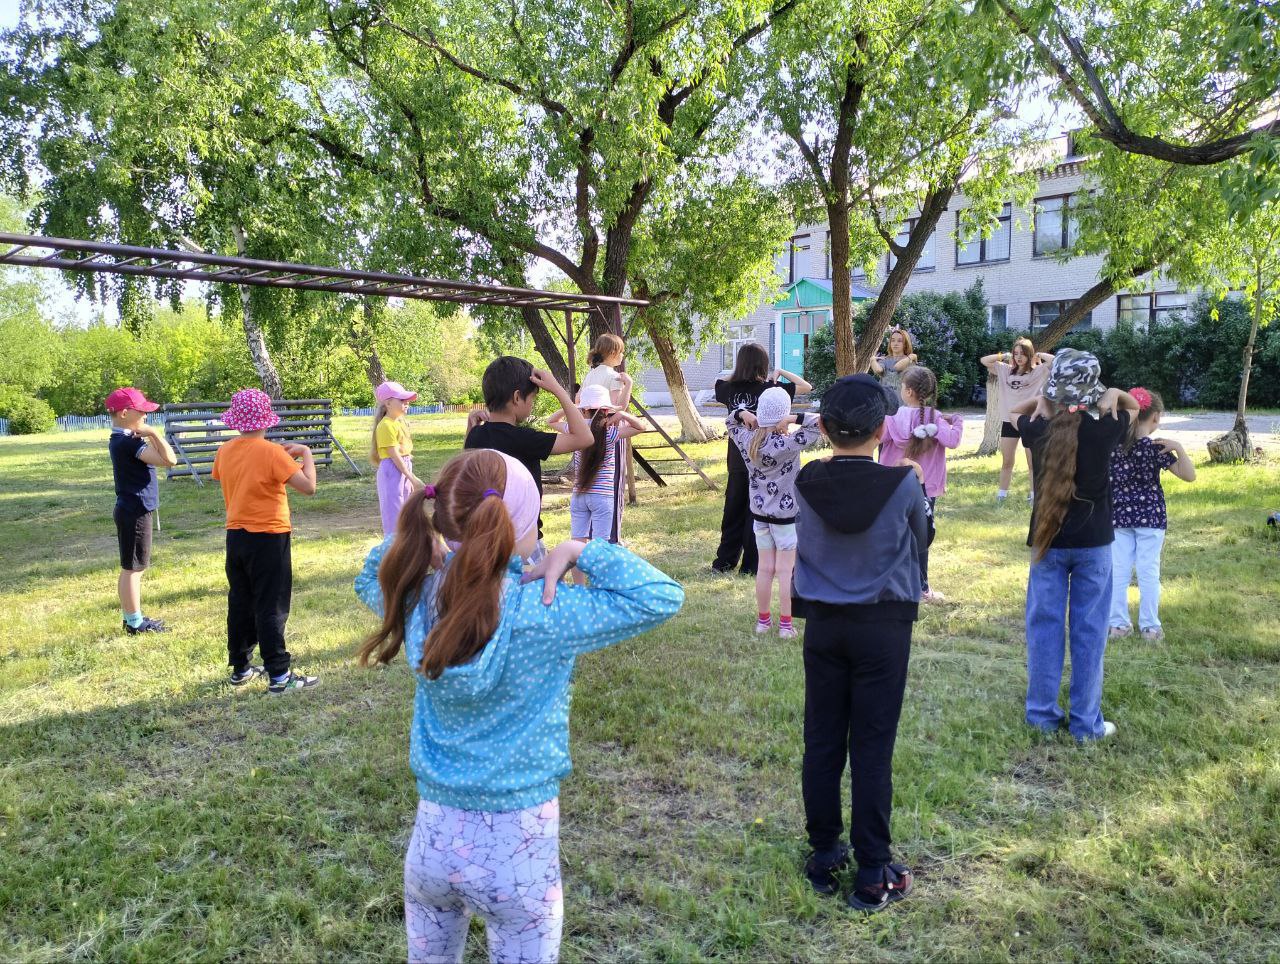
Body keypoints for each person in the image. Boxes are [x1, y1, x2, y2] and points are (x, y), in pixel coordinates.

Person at [355, 448, 683, 964]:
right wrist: (578, 549)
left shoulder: (416, 599)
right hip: (519, 853)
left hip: (432, 849)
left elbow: (370, 571)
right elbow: (659, 596)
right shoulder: (547, 609)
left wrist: (428, 550)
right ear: (521, 525)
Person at [791, 374, 929, 913]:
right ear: (881, 430)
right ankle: (873, 869)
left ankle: (825, 851)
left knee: (822, 739)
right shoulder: (904, 484)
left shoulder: (806, 480)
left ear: (822, 428)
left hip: (824, 625)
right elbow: (921, 541)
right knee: (872, 746)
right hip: (883, 627)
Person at [1012, 350, 1139, 742]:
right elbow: (1135, 405)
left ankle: (1042, 718)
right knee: (1090, 632)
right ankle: (1087, 724)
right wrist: (1113, 392)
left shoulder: (1035, 430)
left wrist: (1046, 399)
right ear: (1092, 390)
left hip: (1047, 545)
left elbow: (1017, 408)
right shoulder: (1107, 428)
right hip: (1095, 545)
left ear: (1054, 391)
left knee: (1044, 629)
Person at [211, 388, 320, 693]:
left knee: (241, 601)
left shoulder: (225, 450)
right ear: (266, 420)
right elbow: (308, 487)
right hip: (269, 537)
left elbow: (223, 476)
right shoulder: (272, 452)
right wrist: (305, 454)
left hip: (236, 535)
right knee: (271, 604)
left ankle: (241, 667)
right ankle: (279, 675)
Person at [465, 356, 593, 560]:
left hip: (485, 542)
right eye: (532, 398)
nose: (532, 404)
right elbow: (584, 438)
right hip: (525, 542)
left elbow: (464, 471)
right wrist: (558, 390)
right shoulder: (525, 439)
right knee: (532, 591)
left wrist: (470, 431)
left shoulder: (476, 435)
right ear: (517, 398)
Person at [726, 386, 824, 638]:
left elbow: (730, 420)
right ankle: (786, 626)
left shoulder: (746, 439)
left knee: (764, 569)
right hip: (787, 518)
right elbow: (820, 423)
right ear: (783, 413)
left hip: (759, 516)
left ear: (759, 411)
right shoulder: (788, 442)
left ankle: (763, 622)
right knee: (785, 572)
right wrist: (793, 419)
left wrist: (742, 413)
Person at [711, 343, 812, 576]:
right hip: (767, 462)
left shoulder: (728, 388)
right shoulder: (771, 388)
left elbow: (718, 383)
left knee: (733, 512)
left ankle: (723, 562)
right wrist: (780, 372)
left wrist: (738, 373)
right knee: (755, 513)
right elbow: (806, 387)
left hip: (738, 457)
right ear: (763, 364)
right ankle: (751, 566)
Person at [1108, 387, 1196, 641]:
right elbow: (1189, 475)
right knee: (1148, 571)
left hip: (1119, 517)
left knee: (1119, 570)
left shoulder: (1114, 446)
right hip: (1151, 518)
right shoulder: (1157, 448)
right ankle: (1150, 626)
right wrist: (1178, 448)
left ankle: (1118, 624)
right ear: (1155, 417)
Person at [878, 365, 964, 603]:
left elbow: (880, 437)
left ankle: (888, 583)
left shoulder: (893, 418)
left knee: (891, 534)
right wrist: (956, 420)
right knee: (921, 537)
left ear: (908, 391)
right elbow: (953, 440)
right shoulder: (935, 419)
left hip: (893, 483)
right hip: (925, 486)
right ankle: (921, 587)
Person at [549, 384, 650, 573]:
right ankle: (597, 587)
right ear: (606, 409)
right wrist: (621, 414)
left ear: (584, 409)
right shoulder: (610, 432)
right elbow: (640, 427)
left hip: (579, 495)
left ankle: (579, 588)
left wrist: (571, 407)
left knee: (577, 547)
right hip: (602, 497)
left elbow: (551, 421)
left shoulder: (574, 429)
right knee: (600, 548)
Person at [105, 387, 178, 635]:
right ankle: (135, 623)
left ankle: (132, 617)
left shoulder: (124, 440)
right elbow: (169, 460)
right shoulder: (126, 443)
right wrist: (154, 433)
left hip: (132, 508)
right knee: (134, 569)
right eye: (143, 412)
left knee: (133, 566)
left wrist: (148, 435)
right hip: (134, 510)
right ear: (125, 413)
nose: (146, 416)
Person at [980, 338, 1055, 503]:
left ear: (1029, 355)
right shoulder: (1005, 370)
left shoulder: (1039, 371)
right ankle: (1002, 495)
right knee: (1007, 461)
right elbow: (984, 361)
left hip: (1031, 421)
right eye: (1016, 354)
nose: (1019, 357)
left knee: (1032, 462)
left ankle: (1034, 495)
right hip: (1009, 421)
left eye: (1023, 354)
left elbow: (1056, 362)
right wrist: (1004, 355)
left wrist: (1039, 354)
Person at [372, 380, 425, 537]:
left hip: (402, 468)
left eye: (407, 400)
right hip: (393, 471)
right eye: (402, 400)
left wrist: (409, 476)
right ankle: (394, 548)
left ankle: (406, 545)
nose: (407, 403)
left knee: (406, 510)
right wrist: (412, 478)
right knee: (394, 513)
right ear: (388, 403)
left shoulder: (399, 423)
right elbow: (394, 455)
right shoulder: (385, 425)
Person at [579, 333, 633, 410]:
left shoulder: (590, 375)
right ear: (613, 353)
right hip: (608, 420)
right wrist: (629, 384)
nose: (623, 355)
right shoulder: (615, 377)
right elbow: (617, 408)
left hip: (589, 420)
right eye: (621, 352)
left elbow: (578, 400)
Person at [870, 327, 917, 407]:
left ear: (905, 344)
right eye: (893, 340)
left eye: (899, 341)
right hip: (885, 404)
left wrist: (910, 357)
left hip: (902, 406)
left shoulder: (909, 361)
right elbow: (878, 370)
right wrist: (872, 360)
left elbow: (898, 367)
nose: (895, 343)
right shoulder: (886, 360)